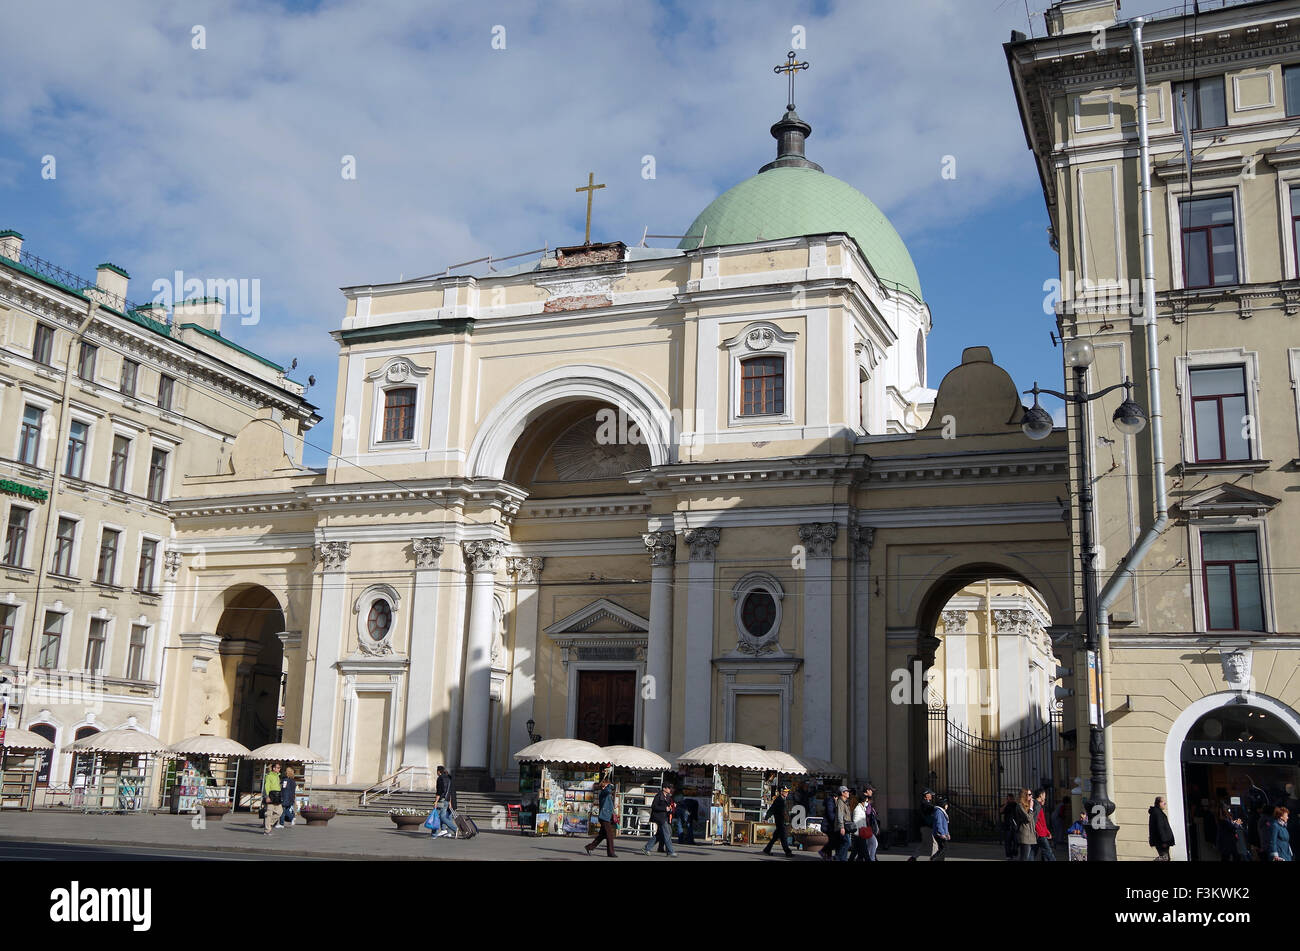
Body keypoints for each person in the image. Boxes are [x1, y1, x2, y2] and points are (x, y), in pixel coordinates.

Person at [584, 776, 617, 857]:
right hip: (604, 817)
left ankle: (589, 847)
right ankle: (611, 853)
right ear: (605, 785)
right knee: (610, 836)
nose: (610, 786)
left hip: (606, 816)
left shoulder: (606, 792)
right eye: (608, 784)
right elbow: (608, 790)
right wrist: (609, 785)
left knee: (602, 835)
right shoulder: (603, 792)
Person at [643, 784, 677, 857]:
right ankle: (670, 851)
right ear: (664, 788)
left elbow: (669, 806)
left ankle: (646, 848)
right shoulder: (658, 796)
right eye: (668, 788)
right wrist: (664, 809)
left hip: (665, 817)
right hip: (660, 818)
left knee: (660, 835)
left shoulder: (668, 797)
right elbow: (654, 806)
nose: (670, 789)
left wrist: (672, 806)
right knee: (667, 833)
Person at [850, 785, 881, 861]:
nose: (867, 803)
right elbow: (856, 821)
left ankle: (870, 858)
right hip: (861, 833)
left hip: (863, 831)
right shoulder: (859, 808)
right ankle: (871, 858)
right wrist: (858, 833)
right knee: (867, 849)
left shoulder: (862, 808)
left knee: (858, 852)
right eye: (866, 801)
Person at [762, 785, 794, 857]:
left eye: (787, 792)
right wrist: (766, 818)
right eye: (785, 792)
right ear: (781, 792)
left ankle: (767, 849)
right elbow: (771, 809)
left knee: (775, 837)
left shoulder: (783, 799)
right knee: (783, 837)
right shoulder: (779, 800)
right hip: (780, 821)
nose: (787, 793)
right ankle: (788, 852)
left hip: (782, 821)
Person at [1148, 796, 1175, 861]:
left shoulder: (1157, 812)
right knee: (1165, 858)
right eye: (1163, 802)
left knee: (1166, 858)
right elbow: (1160, 827)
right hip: (1161, 841)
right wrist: (1164, 841)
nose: (1165, 803)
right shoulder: (1158, 813)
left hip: (1161, 840)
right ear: (1159, 803)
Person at [1014, 788, 1036, 861]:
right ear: (1024, 795)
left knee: (1029, 858)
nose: (1031, 796)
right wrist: (1031, 808)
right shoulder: (1020, 806)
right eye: (1029, 794)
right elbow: (1028, 818)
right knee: (1024, 858)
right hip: (1025, 836)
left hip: (1030, 835)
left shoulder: (1027, 806)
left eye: (1031, 794)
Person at [1033, 788, 1055, 861]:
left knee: (1034, 853)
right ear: (1041, 795)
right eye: (1044, 794)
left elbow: (1042, 822)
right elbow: (1034, 820)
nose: (1045, 796)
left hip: (1041, 832)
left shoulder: (1038, 805)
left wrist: (1047, 832)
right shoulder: (1037, 806)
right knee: (1048, 852)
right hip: (1040, 833)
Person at [834, 785, 854, 861]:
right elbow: (840, 815)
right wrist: (841, 827)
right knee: (847, 843)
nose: (848, 793)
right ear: (842, 793)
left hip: (846, 827)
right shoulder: (840, 802)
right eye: (847, 791)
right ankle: (840, 858)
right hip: (842, 827)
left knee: (842, 843)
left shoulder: (845, 802)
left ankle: (840, 858)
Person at [262, 763, 283, 835]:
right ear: (274, 768)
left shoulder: (278, 776)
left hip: (277, 796)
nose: (279, 769)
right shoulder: (269, 776)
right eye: (278, 768)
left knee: (280, 812)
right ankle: (267, 830)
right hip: (271, 795)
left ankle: (268, 824)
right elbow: (266, 786)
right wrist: (267, 796)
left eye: (279, 768)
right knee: (269, 813)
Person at [916, 788, 936, 861]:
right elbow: (930, 808)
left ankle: (914, 857)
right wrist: (937, 807)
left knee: (924, 843)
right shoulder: (925, 803)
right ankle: (934, 858)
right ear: (926, 795)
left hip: (926, 826)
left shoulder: (927, 803)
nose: (931, 796)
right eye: (930, 794)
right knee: (934, 843)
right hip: (927, 826)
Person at [931, 796, 951, 861]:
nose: (947, 806)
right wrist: (942, 833)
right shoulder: (938, 811)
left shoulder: (942, 811)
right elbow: (938, 823)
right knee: (943, 848)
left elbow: (945, 825)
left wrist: (947, 833)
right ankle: (934, 859)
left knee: (943, 848)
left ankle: (937, 859)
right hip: (939, 834)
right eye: (946, 804)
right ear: (942, 804)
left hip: (943, 833)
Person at [1000, 793, 1019, 860]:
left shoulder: (1016, 805)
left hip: (1015, 826)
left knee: (1016, 841)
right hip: (1007, 826)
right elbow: (1001, 811)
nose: (1010, 799)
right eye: (1009, 798)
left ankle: (1014, 852)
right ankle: (1008, 855)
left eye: (1011, 798)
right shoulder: (1006, 805)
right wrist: (1006, 804)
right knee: (1008, 842)